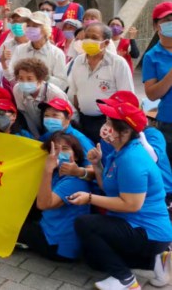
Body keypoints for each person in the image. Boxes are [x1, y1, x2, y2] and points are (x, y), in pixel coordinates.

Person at [70, 99, 172, 290]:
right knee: (93, 258)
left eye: (109, 123)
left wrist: (89, 197)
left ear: (125, 131)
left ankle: (125, 280)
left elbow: (131, 204)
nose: (105, 127)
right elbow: (108, 187)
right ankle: (156, 260)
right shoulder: (119, 152)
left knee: (84, 224)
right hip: (135, 226)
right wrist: (97, 165)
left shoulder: (132, 159)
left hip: (147, 231)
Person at [17, 132, 91, 261]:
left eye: (65, 149)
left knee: (11, 226)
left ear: (77, 156)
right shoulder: (59, 173)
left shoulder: (73, 181)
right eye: (54, 149)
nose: (58, 153)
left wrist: (48, 169)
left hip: (58, 247)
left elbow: (43, 204)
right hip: (49, 231)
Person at [68, 22, 134, 143]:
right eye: (86, 37)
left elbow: (127, 98)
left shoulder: (118, 63)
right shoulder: (78, 61)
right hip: (83, 120)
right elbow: (75, 92)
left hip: (108, 122)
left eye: (94, 38)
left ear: (106, 43)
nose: (88, 41)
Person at [4, 11, 67, 91]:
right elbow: (11, 76)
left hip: (47, 99)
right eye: (28, 25)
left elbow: (62, 84)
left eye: (35, 26)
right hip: (23, 97)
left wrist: (43, 76)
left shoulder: (56, 53)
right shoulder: (20, 49)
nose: (30, 29)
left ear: (45, 29)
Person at [12, 58, 70, 138]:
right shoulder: (17, 90)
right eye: (21, 78)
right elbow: (26, 115)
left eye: (29, 79)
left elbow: (64, 119)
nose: (24, 82)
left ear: (40, 79)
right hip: (37, 126)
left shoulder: (55, 93)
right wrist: (36, 137)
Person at [144, 2, 172, 164]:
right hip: (168, 123)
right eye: (166, 20)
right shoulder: (151, 56)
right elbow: (152, 94)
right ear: (156, 25)